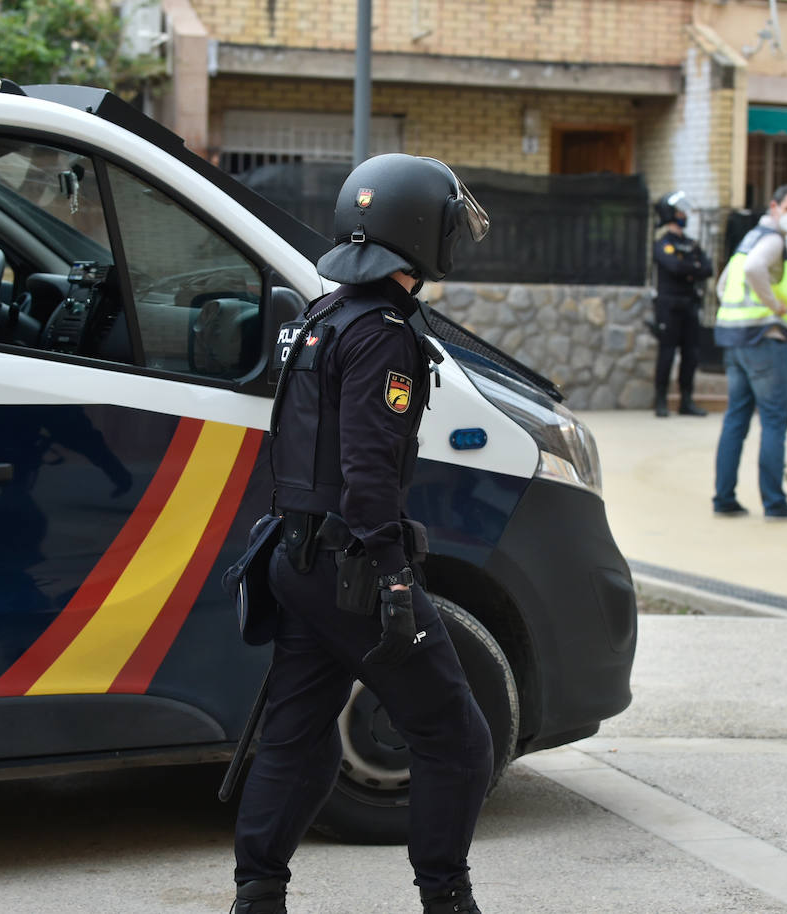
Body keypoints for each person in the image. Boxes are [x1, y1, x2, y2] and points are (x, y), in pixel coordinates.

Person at [230, 154, 494, 914]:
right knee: (458, 742)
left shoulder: (322, 315)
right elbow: (367, 471)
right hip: (353, 569)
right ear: (417, 231)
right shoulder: (384, 334)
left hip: (296, 557)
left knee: (296, 738)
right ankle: (447, 898)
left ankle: (258, 895)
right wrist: (394, 574)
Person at [711, 184, 787, 520]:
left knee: (735, 420)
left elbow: (722, 284)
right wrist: (775, 304)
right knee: (774, 422)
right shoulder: (771, 241)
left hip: (736, 341)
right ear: (774, 207)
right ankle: (775, 503)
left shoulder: (747, 240)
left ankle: (724, 499)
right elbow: (757, 270)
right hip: (764, 342)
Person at [650, 189, 714, 417]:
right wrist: (691, 270)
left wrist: (689, 271)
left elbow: (707, 268)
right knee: (667, 354)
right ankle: (660, 400)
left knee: (691, 355)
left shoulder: (691, 244)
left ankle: (686, 400)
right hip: (669, 306)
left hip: (689, 305)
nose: (683, 215)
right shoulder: (663, 243)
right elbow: (675, 267)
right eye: (679, 211)